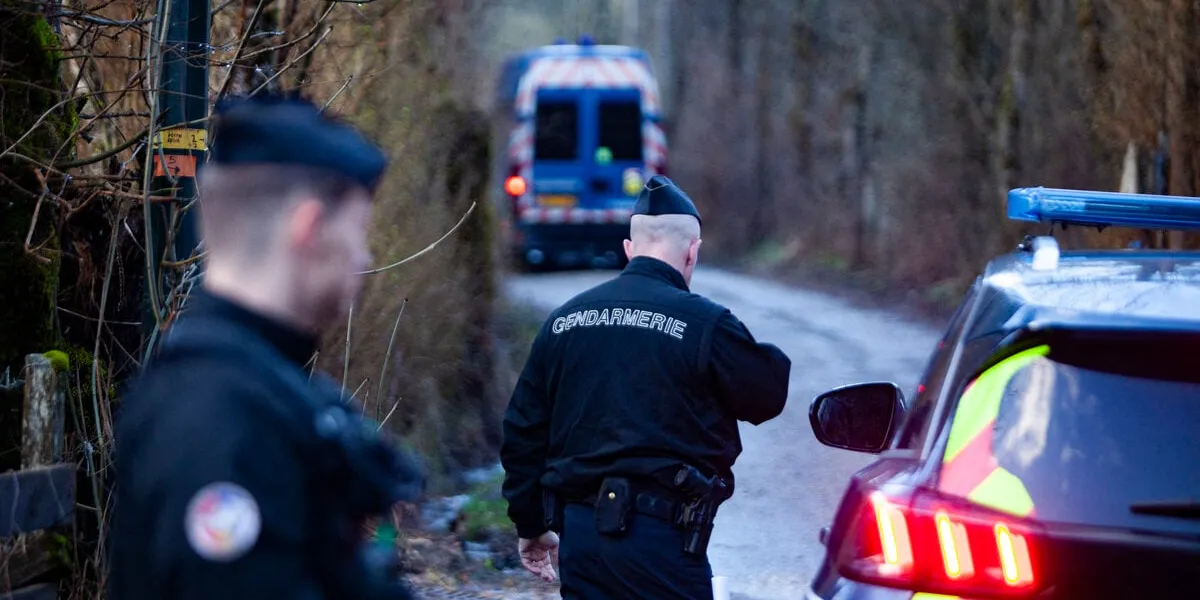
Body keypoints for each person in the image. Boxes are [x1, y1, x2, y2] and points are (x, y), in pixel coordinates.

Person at [106, 94, 423, 600]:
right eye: (358, 231)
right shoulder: (218, 417)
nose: (364, 259)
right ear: (309, 228)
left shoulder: (261, 388)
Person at [500, 175, 793, 599]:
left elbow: (522, 431)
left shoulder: (563, 321)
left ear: (628, 249)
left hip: (581, 544)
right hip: (664, 544)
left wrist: (529, 524)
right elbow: (766, 396)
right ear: (692, 252)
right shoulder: (705, 324)